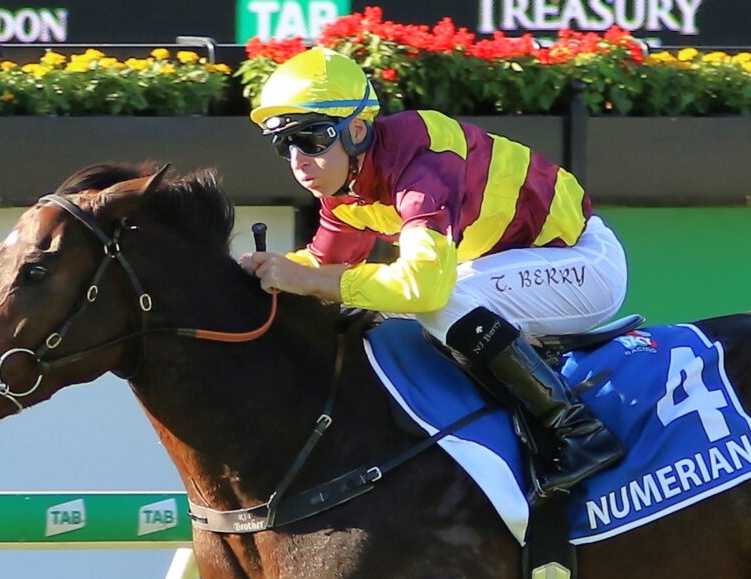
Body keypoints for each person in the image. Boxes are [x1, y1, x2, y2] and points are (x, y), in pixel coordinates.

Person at [239, 46, 628, 499]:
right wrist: (254, 274)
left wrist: (306, 279)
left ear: (357, 130)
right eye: (284, 144)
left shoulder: (423, 160)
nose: (298, 159)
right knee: (381, 309)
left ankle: (578, 431)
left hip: (583, 264)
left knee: (439, 300)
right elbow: (321, 268)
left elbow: (422, 287)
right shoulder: (345, 191)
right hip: (513, 267)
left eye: (312, 139)